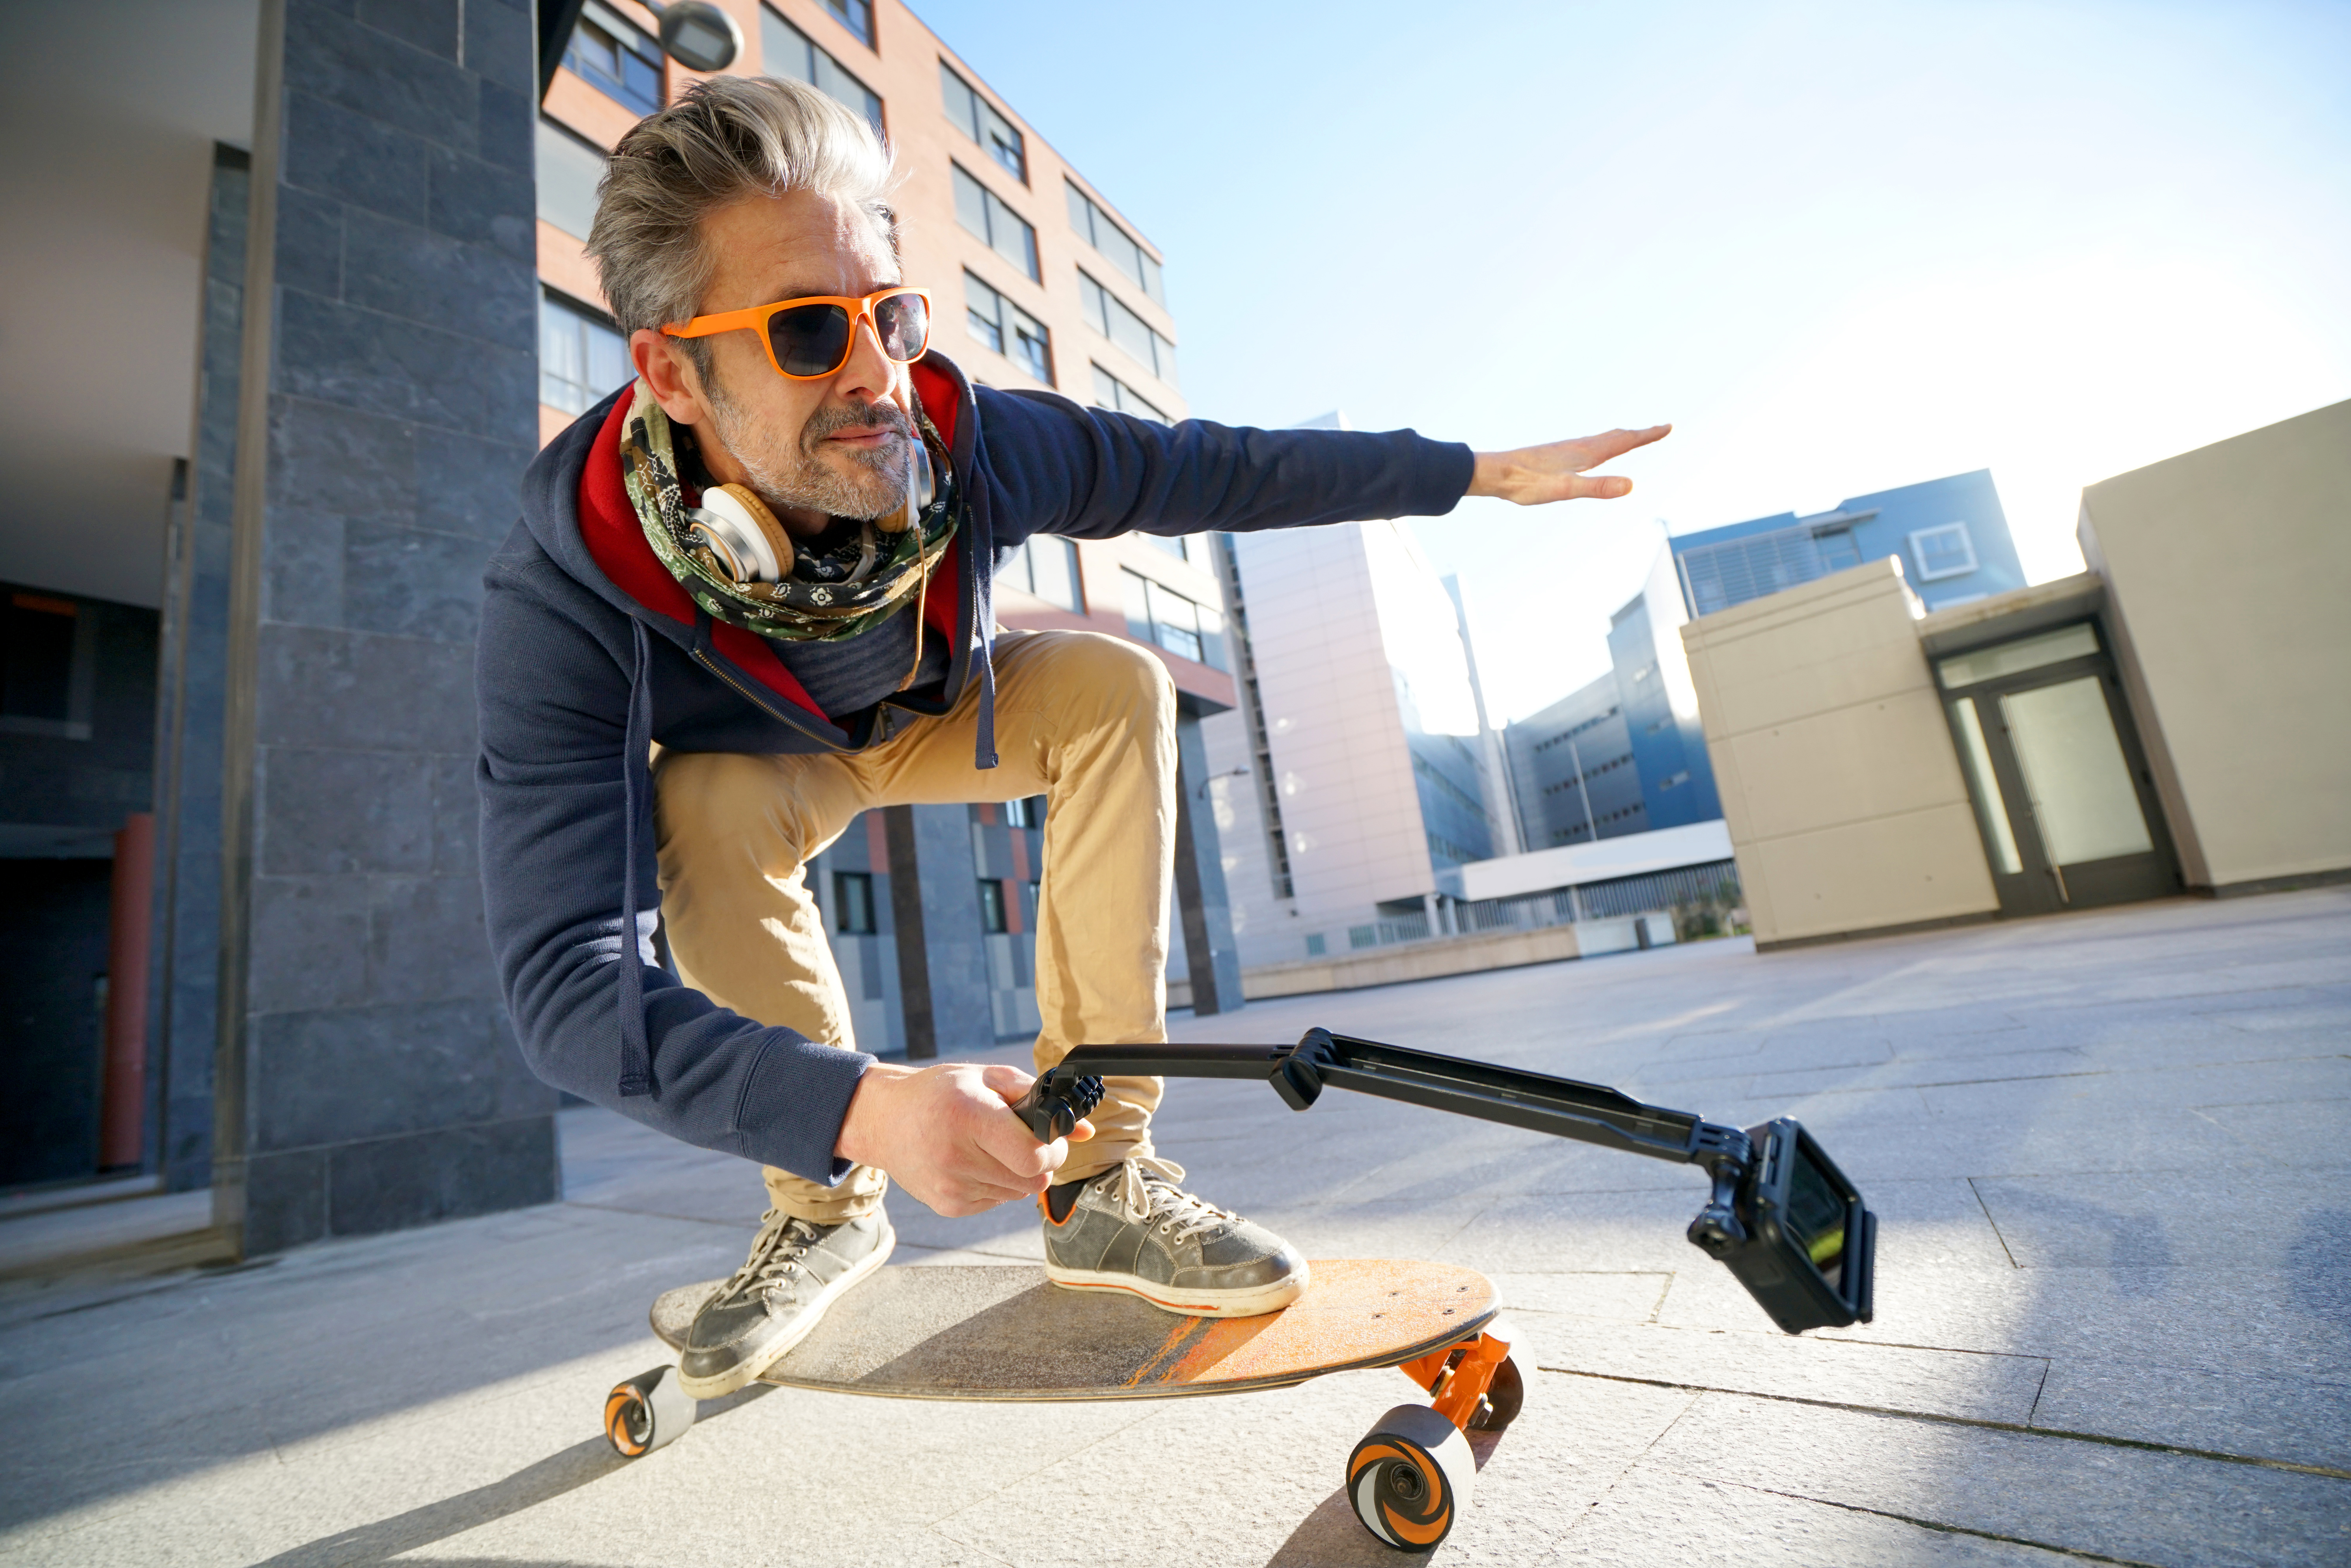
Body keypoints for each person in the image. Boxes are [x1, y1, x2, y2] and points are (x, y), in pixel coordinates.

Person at [478, 74, 1669, 1400]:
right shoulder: (566, 591)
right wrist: (856, 1103)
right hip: (771, 759)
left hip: (927, 711)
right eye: (809, 333)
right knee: (695, 801)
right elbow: (568, 990)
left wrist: (1465, 473)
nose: (877, 375)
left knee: (1109, 684)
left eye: (889, 313)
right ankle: (823, 1211)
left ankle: (1101, 1174)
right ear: (671, 371)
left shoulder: (972, 443)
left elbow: (1210, 466)